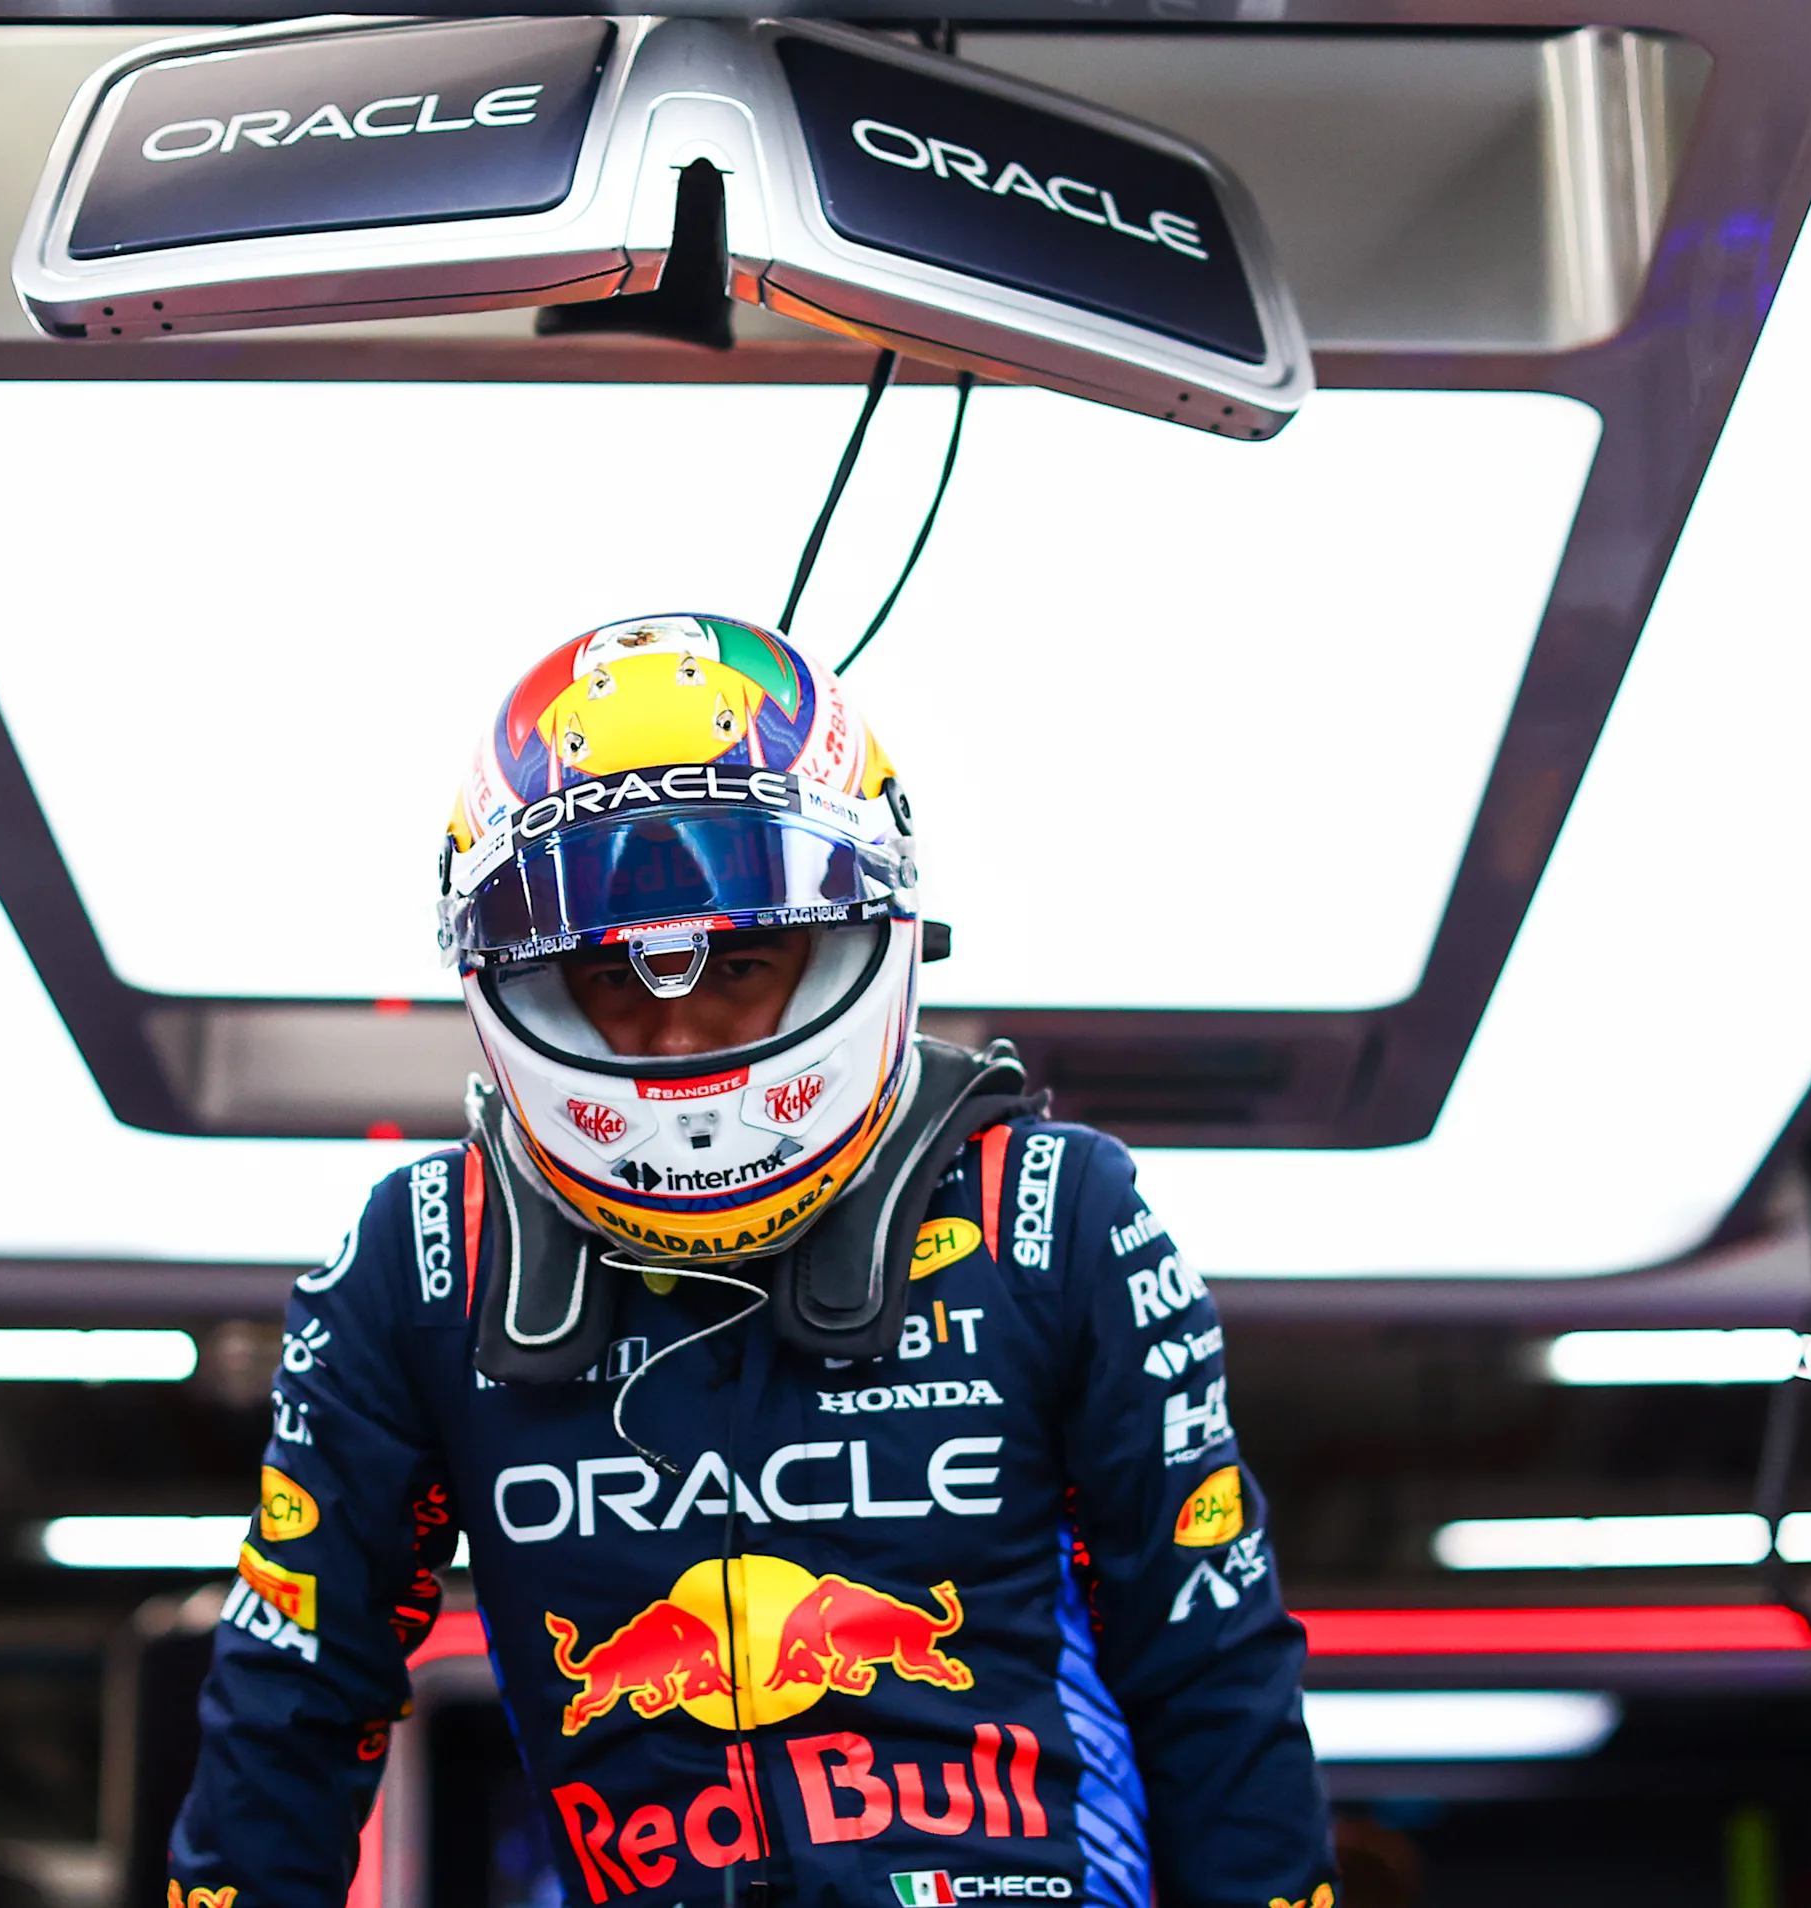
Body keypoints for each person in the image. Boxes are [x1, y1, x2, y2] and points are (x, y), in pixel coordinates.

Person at [167, 614, 1332, 1908]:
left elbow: (1212, 1672)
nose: (677, 1031)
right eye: (610, 977)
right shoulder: (427, 1257)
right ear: (522, 984)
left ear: (855, 937)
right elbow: (290, 1702)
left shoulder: (1049, 1215)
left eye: (738, 963)